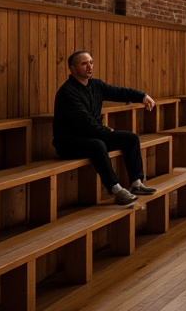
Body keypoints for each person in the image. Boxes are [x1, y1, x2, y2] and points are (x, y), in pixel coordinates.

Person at [53, 50, 159, 207]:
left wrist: (141, 96)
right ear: (73, 69)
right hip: (69, 142)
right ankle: (116, 189)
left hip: (91, 135)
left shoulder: (96, 85)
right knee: (97, 144)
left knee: (130, 138)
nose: (89, 66)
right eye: (84, 63)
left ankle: (136, 183)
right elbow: (85, 124)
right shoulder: (67, 92)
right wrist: (107, 132)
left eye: (91, 62)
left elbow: (118, 92)